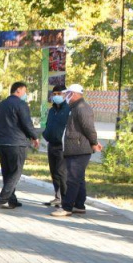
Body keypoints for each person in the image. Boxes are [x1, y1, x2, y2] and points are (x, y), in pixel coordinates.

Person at [52, 84, 103, 217]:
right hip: (75, 148)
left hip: (79, 149)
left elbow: (89, 128)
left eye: (67, 94)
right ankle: (79, 205)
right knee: (79, 178)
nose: (65, 96)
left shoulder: (81, 108)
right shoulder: (74, 108)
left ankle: (67, 207)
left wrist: (94, 143)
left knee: (72, 179)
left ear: (73, 94)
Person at [0, 81, 39, 209]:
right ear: (18, 90)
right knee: (16, 172)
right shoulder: (21, 105)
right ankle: (3, 199)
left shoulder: (1, 105)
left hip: (2, 144)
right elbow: (27, 123)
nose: (25, 94)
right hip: (17, 143)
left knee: (7, 172)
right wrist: (34, 136)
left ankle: (12, 199)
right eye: (25, 91)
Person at [41, 84, 71, 207]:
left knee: (61, 173)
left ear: (65, 94)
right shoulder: (52, 110)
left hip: (62, 146)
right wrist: (46, 134)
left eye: (59, 94)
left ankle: (65, 199)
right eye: (54, 94)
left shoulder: (68, 109)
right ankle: (57, 197)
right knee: (54, 173)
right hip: (51, 144)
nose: (56, 96)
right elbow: (48, 124)